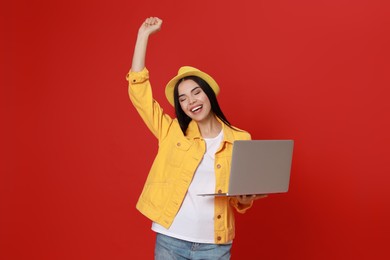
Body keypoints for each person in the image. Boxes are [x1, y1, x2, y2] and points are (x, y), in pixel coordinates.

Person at [126, 17, 266, 259]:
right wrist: (143, 36)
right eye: (182, 98)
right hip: (171, 238)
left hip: (215, 244)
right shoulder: (171, 131)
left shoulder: (241, 139)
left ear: (208, 94)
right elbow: (138, 92)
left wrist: (244, 199)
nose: (191, 102)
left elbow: (238, 200)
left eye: (196, 92)